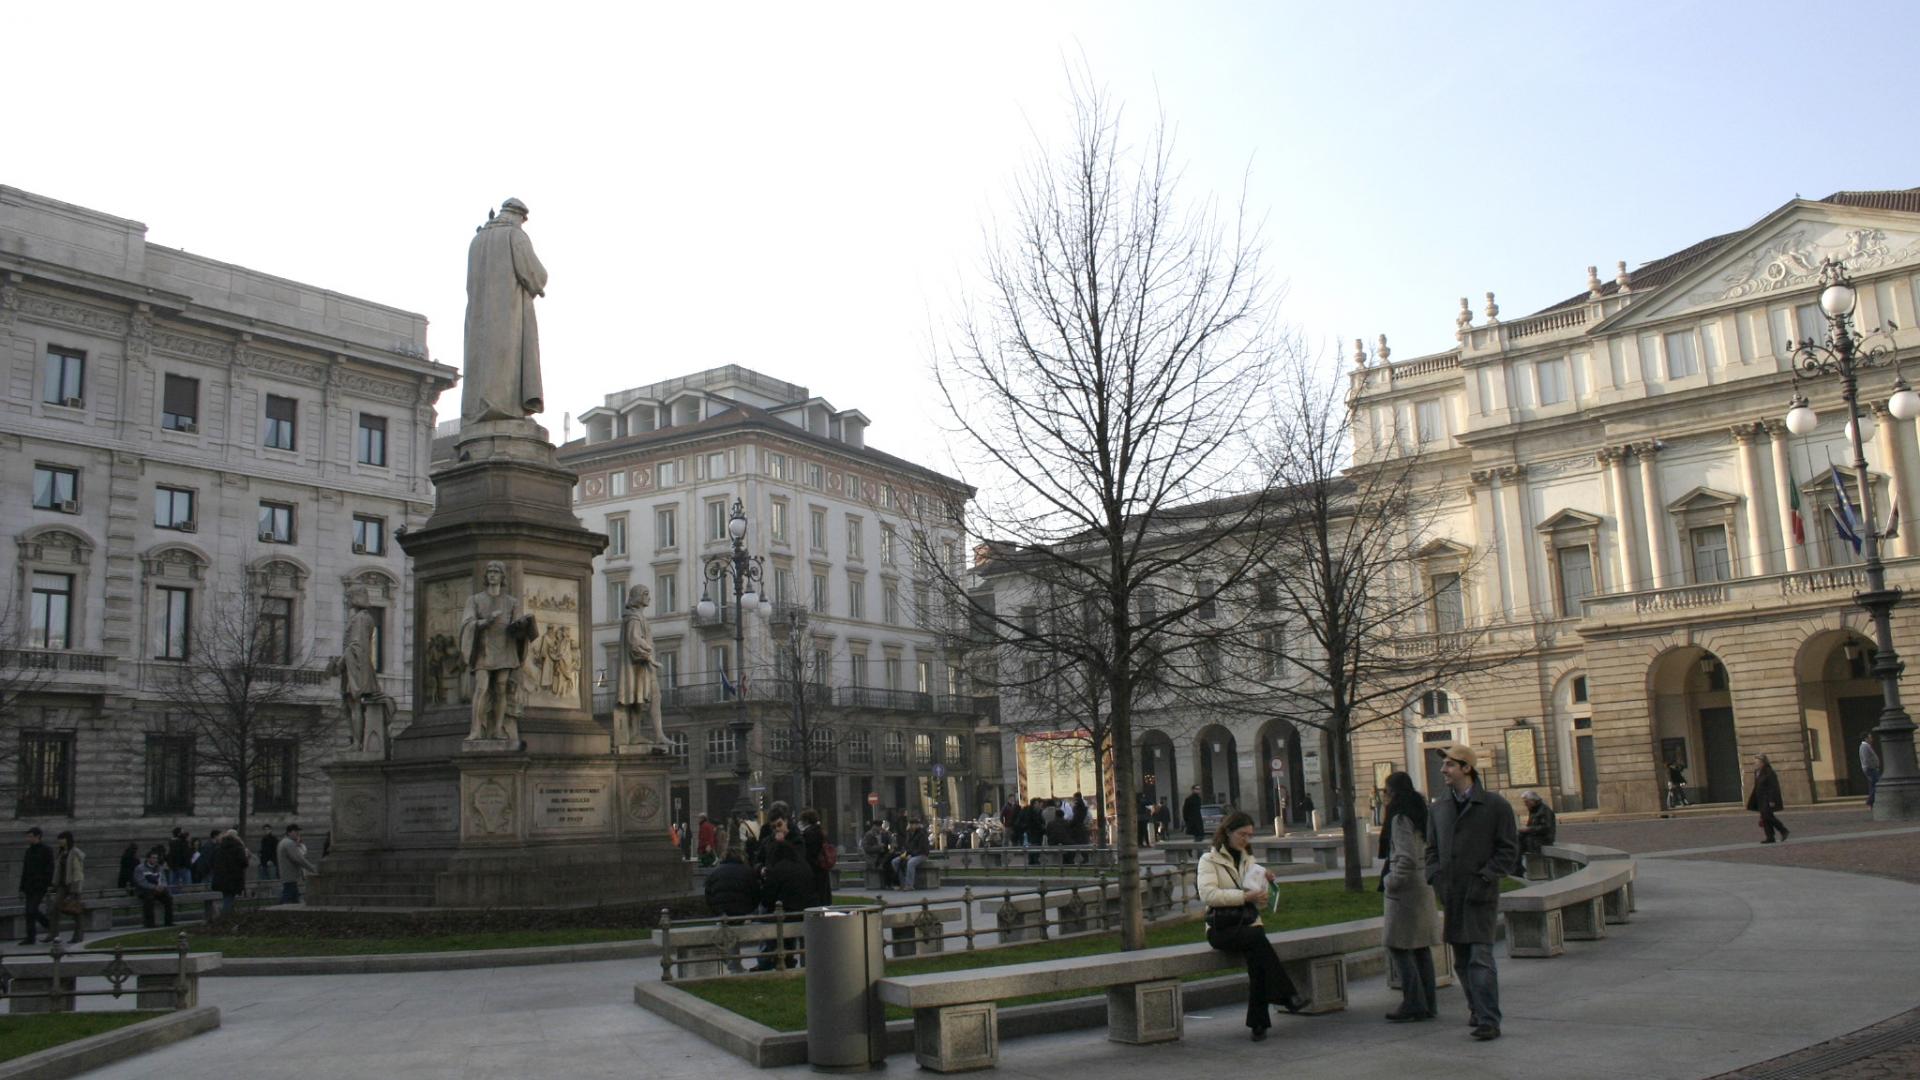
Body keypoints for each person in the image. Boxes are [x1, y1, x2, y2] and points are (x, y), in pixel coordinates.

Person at [1425, 744, 1517, 1042]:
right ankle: (1476, 1009)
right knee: (1462, 960)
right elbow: (1431, 850)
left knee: (1480, 957)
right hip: (1452, 894)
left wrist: (1486, 876)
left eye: (1450, 764)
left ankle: (1489, 1019)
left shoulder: (1495, 805)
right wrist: (1435, 877)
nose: (1443, 770)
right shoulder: (1438, 808)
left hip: (1480, 895)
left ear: (1467, 769)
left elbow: (1508, 850)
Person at [1198, 810, 1308, 1041]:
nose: (1246, 840)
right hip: (1222, 928)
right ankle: (1286, 997)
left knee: (1258, 962)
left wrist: (1264, 890)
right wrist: (1244, 896)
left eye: (1249, 835)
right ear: (1228, 832)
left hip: (1248, 923)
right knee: (1258, 942)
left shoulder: (1249, 860)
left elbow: (1257, 901)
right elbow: (1208, 895)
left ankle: (1260, 1023)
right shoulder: (1209, 860)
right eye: (1242, 834)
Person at [461, 197, 548, 424]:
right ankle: (505, 408)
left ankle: (478, 408)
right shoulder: (515, 235)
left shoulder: (477, 240)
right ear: (519, 216)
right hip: (508, 313)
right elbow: (534, 274)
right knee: (507, 360)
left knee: (481, 361)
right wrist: (539, 283)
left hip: (478, 318)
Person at [1379, 771, 1439, 1023]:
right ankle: (1428, 1003)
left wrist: (1390, 882)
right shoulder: (1421, 813)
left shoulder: (1400, 818)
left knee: (1399, 945)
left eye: (1385, 791)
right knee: (1420, 947)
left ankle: (1413, 1002)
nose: (1384, 796)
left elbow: (1405, 857)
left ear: (1393, 793)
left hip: (1405, 891)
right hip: (1422, 884)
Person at [461, 560, 535, 744]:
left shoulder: (512, 602)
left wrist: (523, 625)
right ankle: (476, 730)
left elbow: (517, 625)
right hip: (484, 649)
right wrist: (485, 621)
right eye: (490, 572)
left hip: (505, 647)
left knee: (501, 688)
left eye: (496, 572)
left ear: (503, 576)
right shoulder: (475, 600)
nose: (492, 575)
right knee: (481, 688)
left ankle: (498, 729)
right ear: (486, 576)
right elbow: (467, 624)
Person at [615, 584, 668, 748]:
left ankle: (651, 734)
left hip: (642, 665)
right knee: (645, 697)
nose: (649, 598)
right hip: (639, 665)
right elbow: (634, 640)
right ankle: (644, 734)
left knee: (642, 697)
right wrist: (649, 655)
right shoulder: (634, 618)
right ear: (638, 596)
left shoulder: (636, 616)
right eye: (646, 594)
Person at [756, 840, 813, 970]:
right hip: (804, 912)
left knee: (765, 918)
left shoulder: (778, 870)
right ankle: (795, 961)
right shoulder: (804, 867)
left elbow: (767, 898)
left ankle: (769, 960)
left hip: (786, 914)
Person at [48, 831, 86, 945]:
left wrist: (75, 889)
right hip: (62, 885)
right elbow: (58, 870)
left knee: (75, 911)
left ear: (67, 840)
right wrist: (54, 884)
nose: (60, 841)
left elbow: (77, 872)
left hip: (72, 885)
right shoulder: (62, 853)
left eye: (62, 839)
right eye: (59, 839)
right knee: (55, 908)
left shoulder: (74, 853)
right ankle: (53, 934)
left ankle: (78, 934)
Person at [17, 827, 53, 945]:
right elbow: (25, 870)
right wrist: (21, 888)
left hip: (40, 886)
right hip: (29, 886)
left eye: (30, 836)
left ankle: (49, 925)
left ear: (38, 836)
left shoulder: (46, 850)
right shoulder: (29, 851)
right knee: (29, 912)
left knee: (32, 909)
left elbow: (49, 869)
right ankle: (30, 937)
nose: (28, 839)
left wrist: (47, 883)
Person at [210, 830, 252, 916]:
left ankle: (229, 916)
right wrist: (247, 857)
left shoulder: (220, 847)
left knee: (227, 898)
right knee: (229, 899)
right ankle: (224, 918)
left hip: (221, 878)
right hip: (233, 878)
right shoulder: (238, 847)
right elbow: (243, 863)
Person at [1748, 754, 1789, 843]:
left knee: (1768, 816)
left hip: (1767, 798)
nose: (1756, 764)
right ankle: (1770, 837)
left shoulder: (1769, 772)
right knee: (1764, 817)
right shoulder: (1756, 772)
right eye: (1755, 762)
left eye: (1757, 762)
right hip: (1760, 798)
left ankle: (1783, 830)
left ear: (1763, 763)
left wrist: (1771, 800)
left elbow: (1773, 787)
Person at [131, 851, 176, 928]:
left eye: (156, 858)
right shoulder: (140, 868)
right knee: (149, 899)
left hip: (158, 890)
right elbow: (141, 882)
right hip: (144, 891)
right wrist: (154, 887)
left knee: (169, 898)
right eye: (153, 858)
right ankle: (150, 923)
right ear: (148, 858)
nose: (155, 860)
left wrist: (162, 886)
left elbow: (163, 879)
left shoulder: (159, 868)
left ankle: (169, 922)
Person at [276, 824, 320, 903]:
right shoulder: (289, 843)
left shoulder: (282, 842)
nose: (298, 833)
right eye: (295, 831)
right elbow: (299, 859)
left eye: (298, 831)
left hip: (287, 876)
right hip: (290, 876)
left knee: (293, 900)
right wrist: (313, 868)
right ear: (289, 832)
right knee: (287, 899)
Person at [797, 808, 830, 907]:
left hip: (814, 868)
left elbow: (809, 853)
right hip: (821, 867)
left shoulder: (809, 834)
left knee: (816, 897)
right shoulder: (819, 831)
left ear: (806, 820)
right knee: (823, 895)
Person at [1516, 791, 1558, 863]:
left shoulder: (1545, 810)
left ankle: (1530, 863)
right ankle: (1516, 864)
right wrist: (1525, 829)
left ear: (1533, 801)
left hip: (1544, 838)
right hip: (1535, 835)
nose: (1525, 804)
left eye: (1526, 802)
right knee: (1517, 837)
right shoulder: (1534, 810)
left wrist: (1529, 829)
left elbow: (1546, 827)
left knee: (1526, 841)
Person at [862, 820, 899, 888]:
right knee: (888, 863)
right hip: (874, 857)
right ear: (874, 826)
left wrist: (892, 847)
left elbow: (893, 841)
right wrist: (878, 847)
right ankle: (892, 883)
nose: (880, 828)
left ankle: (892, 883)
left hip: (885, 855)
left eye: (880, 826)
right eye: (878, 826)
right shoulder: (869, 835)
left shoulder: (886, 833)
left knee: (895, 859)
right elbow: (867, 848)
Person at [895, 820, 931, 890]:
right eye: (910, 824)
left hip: (921, 854)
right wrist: (904, 853)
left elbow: (922, 848)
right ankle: (903, 883)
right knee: (895, 862)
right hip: (910, 854)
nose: (910, 826)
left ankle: (909, 885)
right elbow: (906, 846)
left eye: (912, 824)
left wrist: (911, 855)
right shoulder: (909, 834)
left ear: (917, 825)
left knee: (911, 863)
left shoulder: (922, 834)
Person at [1860, 735, 1882, 809]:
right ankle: (1870, 801)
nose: (1871, 739)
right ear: (1866, 738)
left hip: (1871, 769)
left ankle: (1871, 803)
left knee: (1873, 785)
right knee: (1876, 784)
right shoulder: (1864, 747)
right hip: (1871, 769)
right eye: (1870, 737)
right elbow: (1866, 759)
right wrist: (1873, 767)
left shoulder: (1866, 746)